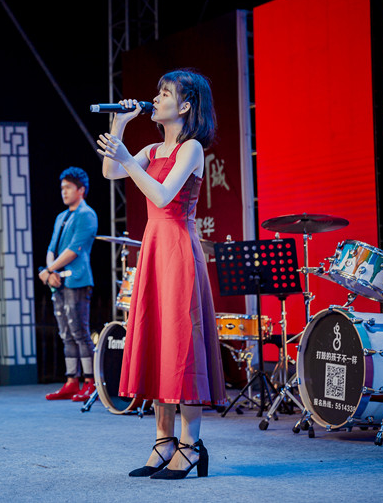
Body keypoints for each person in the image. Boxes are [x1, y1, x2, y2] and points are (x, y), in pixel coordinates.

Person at [96, 69, 226, 479]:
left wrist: (125, 158)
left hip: (178, 249)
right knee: (158, 342)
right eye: (158, 92)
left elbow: (162, 194)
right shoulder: (152, 149)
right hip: (155, 246)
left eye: (165, 93)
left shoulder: (192, 149)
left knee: (181, 344)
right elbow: (110, 172)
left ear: (185, 105)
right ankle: (163, 441)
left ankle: (191, 445)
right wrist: (120, 124)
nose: (156, 99)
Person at [39, 167, 98, 402]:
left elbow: (74, 249)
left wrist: (49, 271)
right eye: (62, 187)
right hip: (58, 281)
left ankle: (90, 382)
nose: (63, 191)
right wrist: (50, 272)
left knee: (80, 332)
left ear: (81, 190)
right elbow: (51, 248)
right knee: (65, 333)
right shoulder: (61, 217)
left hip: (77, 279)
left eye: (68, 187)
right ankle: (71, 381)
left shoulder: (87, 214)